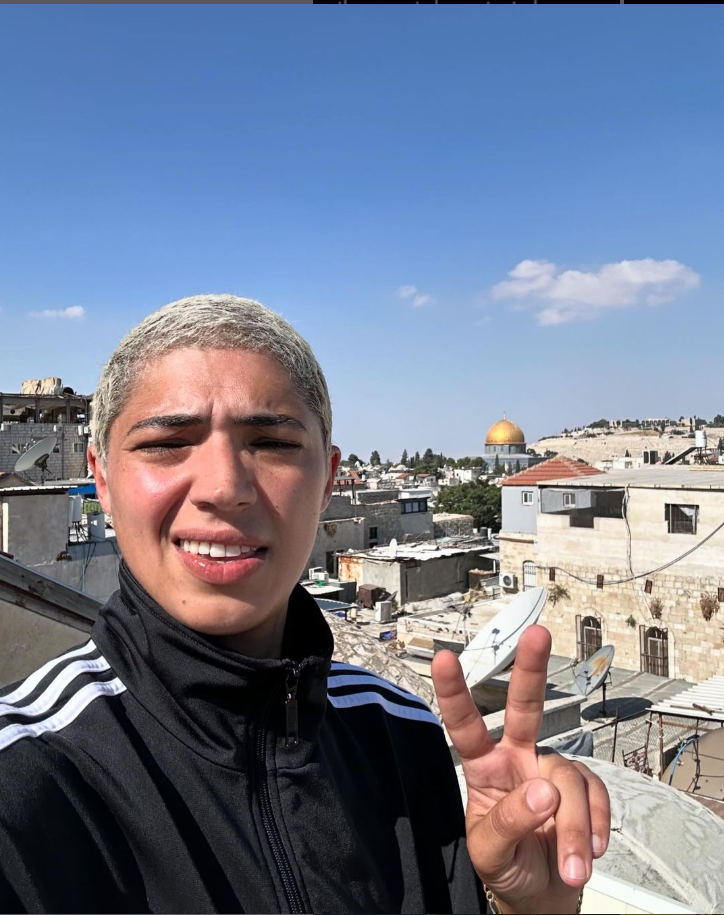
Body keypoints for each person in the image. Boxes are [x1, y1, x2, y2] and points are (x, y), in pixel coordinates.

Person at [0, 295, 609, 914]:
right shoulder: (27, 776)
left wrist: (525, 907)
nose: (224, 489)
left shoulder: (401, 736)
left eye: (271, 443)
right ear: (101, 479)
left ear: (327, 481)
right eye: (166, 443)